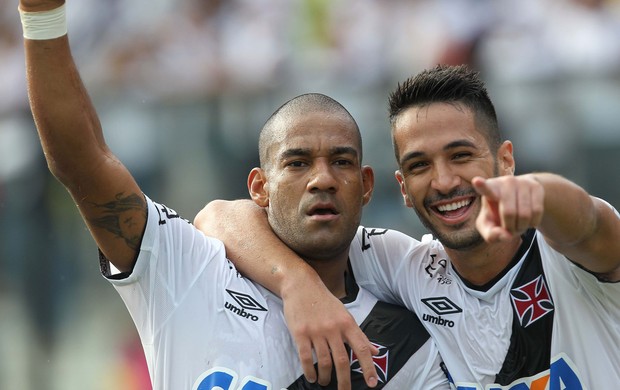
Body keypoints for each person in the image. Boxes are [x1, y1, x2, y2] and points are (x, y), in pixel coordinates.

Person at [17, 2, 451, 388]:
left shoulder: (407, 346)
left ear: (368, 186)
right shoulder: (188, 270)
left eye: (341, 162)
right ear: (259, 187)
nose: (322, 179)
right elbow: (83, 162)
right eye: (297, 163)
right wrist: (42, 16)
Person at [195, 64, 620, 389]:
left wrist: (537, 194)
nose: (444, 181)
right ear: (402, 186)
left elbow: (588, 223)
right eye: (419, 165)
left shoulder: (569, 257)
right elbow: (218, 217)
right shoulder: (407, 266)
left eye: (460, 155)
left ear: (505, 160)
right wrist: (296, 283)